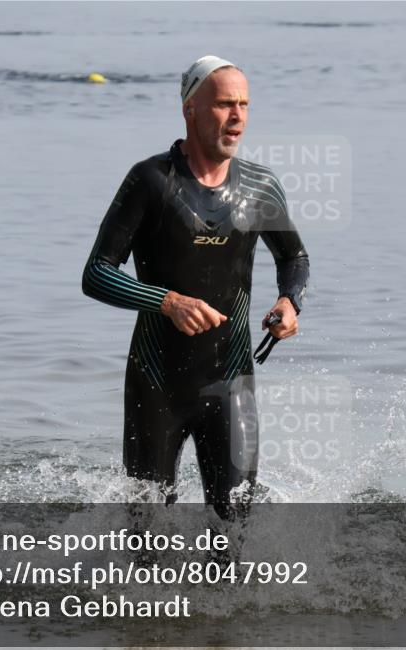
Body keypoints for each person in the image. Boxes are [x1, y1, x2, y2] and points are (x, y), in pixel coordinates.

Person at [82, 55, 309, 519]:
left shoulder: (262, 187)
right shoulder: (150, 180)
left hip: (232, 383)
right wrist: (165, 301)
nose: (238, 116)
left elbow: (294, 257)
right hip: (157, 384)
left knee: (234, 535)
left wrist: (290, 301)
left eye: (244, 104)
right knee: (147, 539)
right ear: (190, 109)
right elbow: (97, 273)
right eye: (225, 103)